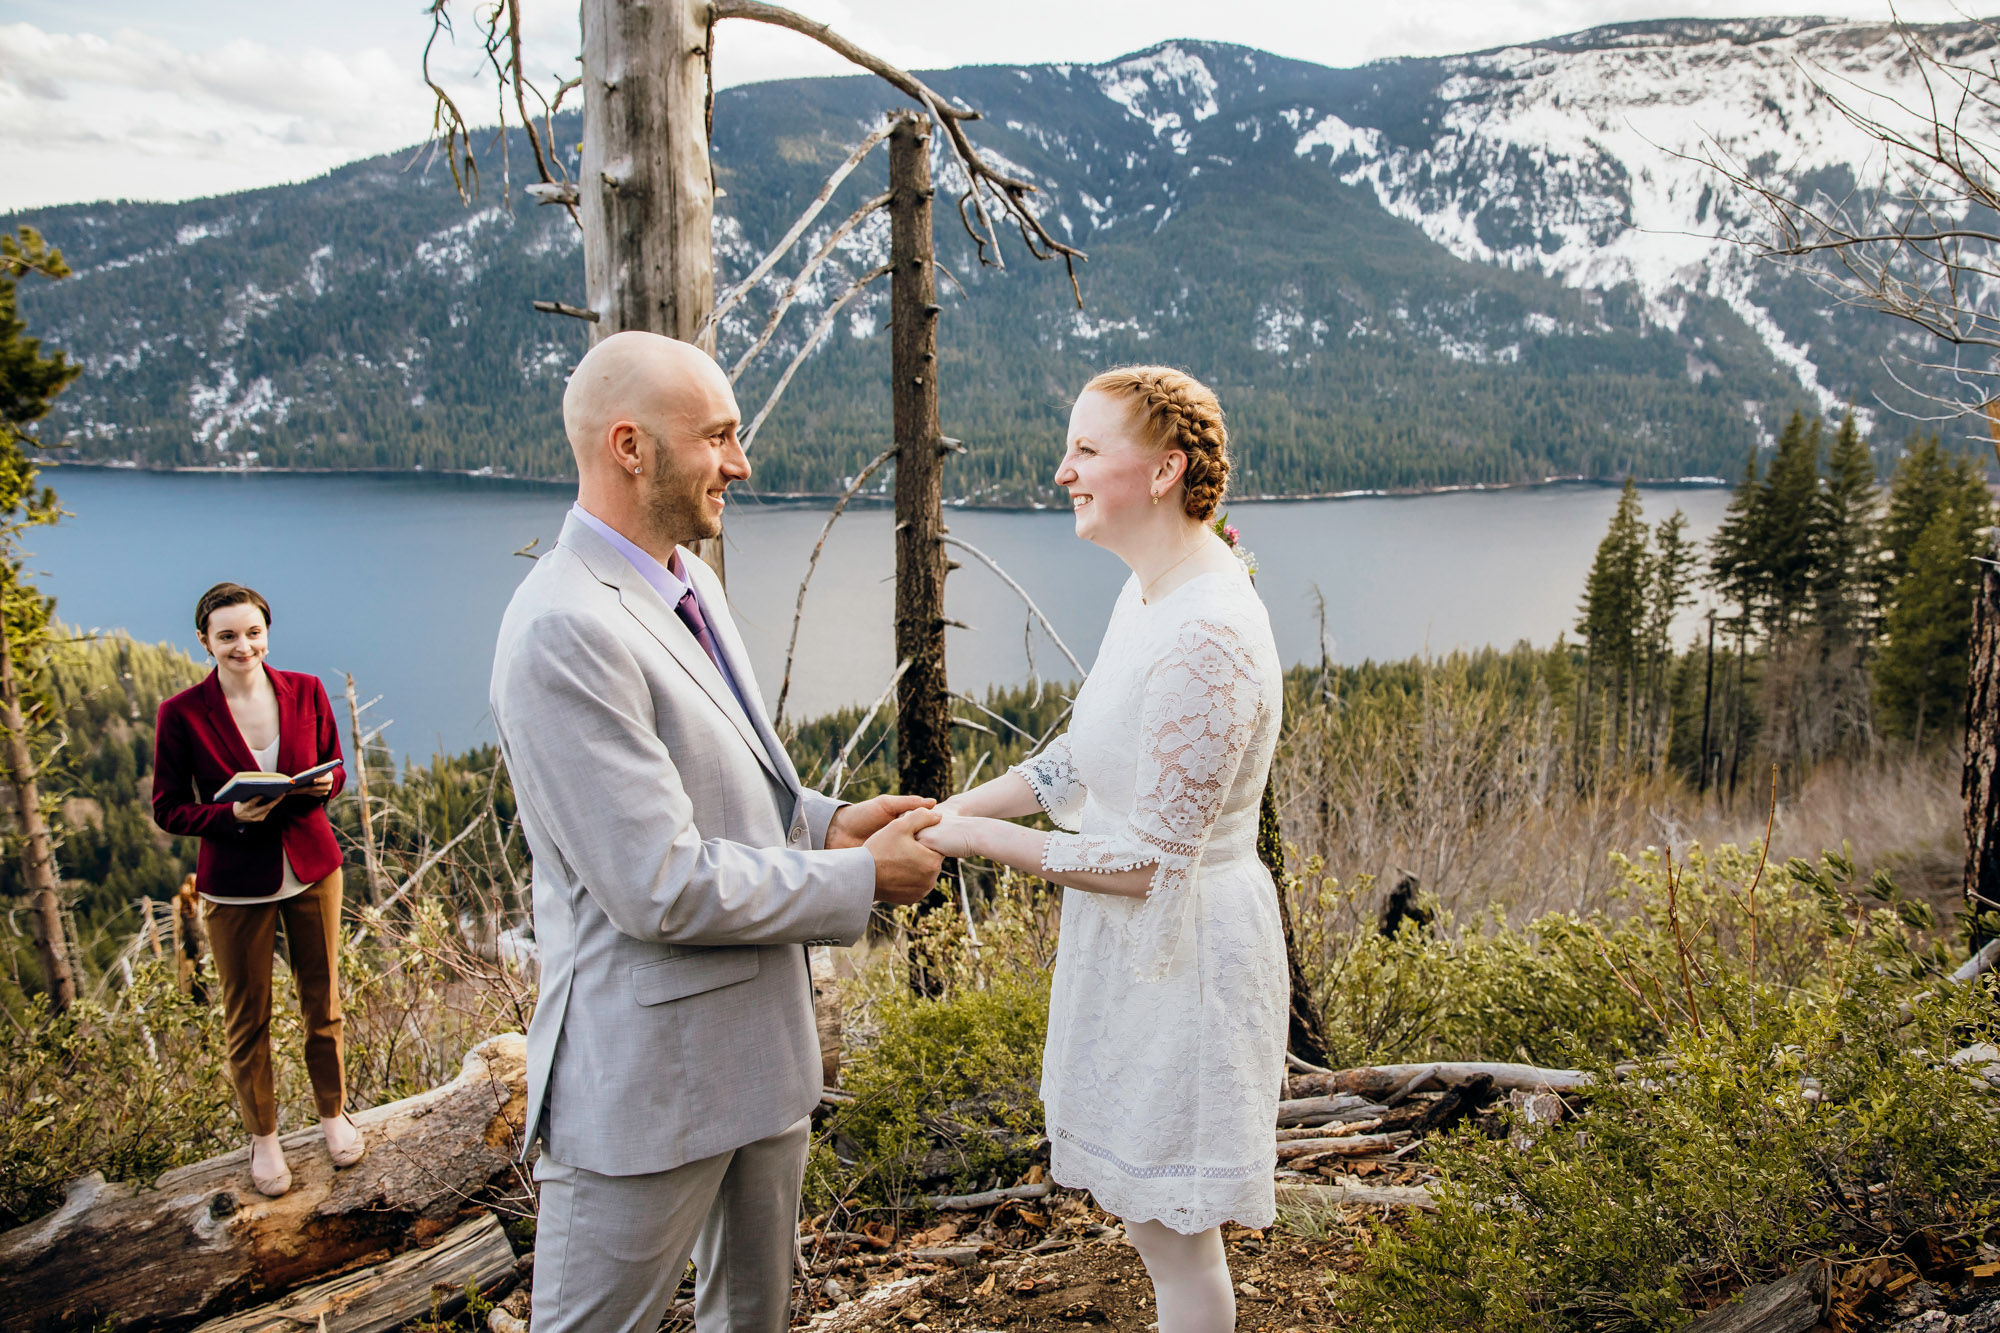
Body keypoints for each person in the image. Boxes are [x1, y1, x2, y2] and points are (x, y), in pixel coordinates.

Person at [490, 331, 945, 1333]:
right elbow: (659, 882)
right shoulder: (565, 627)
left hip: (762, 1063)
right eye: (718, 437)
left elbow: (730, 797)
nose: (740, 463)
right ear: (628, 447)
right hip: (647, 1085)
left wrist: (825, 823)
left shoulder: (688, 584)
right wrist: (858, 880)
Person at [917, 366, 1287, 1333]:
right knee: (1147, 1222)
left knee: (1176, 1236)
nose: (1062, 470)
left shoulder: (1210, 630)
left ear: (1162, 471)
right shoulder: (1152, 593)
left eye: (1085, 450)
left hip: (1189, 952)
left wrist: (984, 842)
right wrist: (950, 807)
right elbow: (1079, 762)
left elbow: (1151, 864)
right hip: (1135, 948)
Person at [152, 582, 358, 1198]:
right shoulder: (182, 712)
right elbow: (168, 808)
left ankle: (333, 1115)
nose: (243, 646)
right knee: (249, 1020)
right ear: (204, 641)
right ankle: (263, 1138)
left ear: (266, 632)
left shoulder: (306, 689)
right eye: (227, 636)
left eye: (253, 632)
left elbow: (334, 764)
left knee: (323, 1006)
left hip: (313, 869)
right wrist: (227, 820)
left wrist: (327, 786)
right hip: (236, 883)